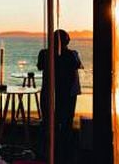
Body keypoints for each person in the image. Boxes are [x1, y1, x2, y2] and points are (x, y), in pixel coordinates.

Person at [37, 29, 82, 162]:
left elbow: (40, 67)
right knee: (66, 124)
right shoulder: (72, 54)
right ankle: (65, 153)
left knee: (48, 122)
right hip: (67, 94)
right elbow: (77, 66)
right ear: (67, 41)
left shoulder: (44, 54)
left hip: (48, 92)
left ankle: (49, 151)